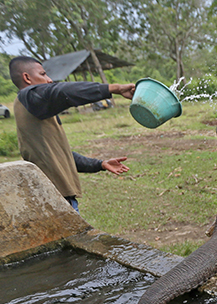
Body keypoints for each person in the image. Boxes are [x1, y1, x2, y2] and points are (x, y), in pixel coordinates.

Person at [9, 56, 136, 213]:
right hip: (54, 200)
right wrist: (114, 89)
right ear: (27, 78)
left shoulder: (33, 107)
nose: (49, 80)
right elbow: (64, 91)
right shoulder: (28, 95)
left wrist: (100, 164)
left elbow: (61, 155)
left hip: (54, 197)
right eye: (43, 74)